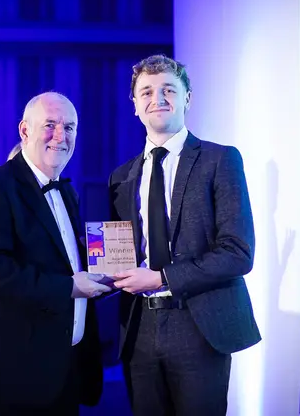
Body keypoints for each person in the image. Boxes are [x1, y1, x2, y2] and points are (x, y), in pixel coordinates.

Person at [108, 54, 261, 415]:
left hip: (200, 325)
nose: (156, 99)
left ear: (187, 98)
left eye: (168, 90)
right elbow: (118, 253)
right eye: (146, 92)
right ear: (134, 106)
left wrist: (162, 277)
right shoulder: (121, 177)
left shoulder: (220, 160)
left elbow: (238, 252)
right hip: (139, 329)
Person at [0, 91, 111, 416]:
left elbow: (66, 264)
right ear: (24, 131)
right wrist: (71, 287)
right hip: (11, 378)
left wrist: (113, 273)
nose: (61, 136)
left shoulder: (67, 192)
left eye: (70, 127)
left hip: (63, 372)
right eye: (51, 125)